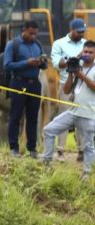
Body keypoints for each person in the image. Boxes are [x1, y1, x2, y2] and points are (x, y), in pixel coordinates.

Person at [41, 40, 95, 181]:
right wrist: (71, 73)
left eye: (90, 52)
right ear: (81, 52)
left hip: (89, 114)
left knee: (88, 145)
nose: (87, 54)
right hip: (73, 111)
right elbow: (66, 90)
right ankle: (46, 163)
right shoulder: (78, 66)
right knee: (49, 130)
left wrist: (80, 74)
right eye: (85, 51)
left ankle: (87, 173)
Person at [4, 20, 47, 158]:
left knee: (33, 117)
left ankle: (32, 148)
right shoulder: (13, 45)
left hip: (34, 84)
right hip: (19, 83)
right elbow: (7, 65)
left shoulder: (38, 45)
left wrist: (42, 63)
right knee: (16, 116)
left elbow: (44, 66)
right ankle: (14, 148)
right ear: (24, 30)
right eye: (31, 34)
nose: (33, 36)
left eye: (35, 34)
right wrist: (26, 63)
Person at [51, 19, 87, 162]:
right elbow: (55, 64)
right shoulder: (59, 44)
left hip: (83, 85)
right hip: (66, 85)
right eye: (79, 32)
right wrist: (69, 61)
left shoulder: (86, 44)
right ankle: (60, 151)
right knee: (64, 118)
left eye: (83, 32)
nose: (81, 34)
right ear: (71, 29)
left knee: (82, 118)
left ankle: (82, 151)